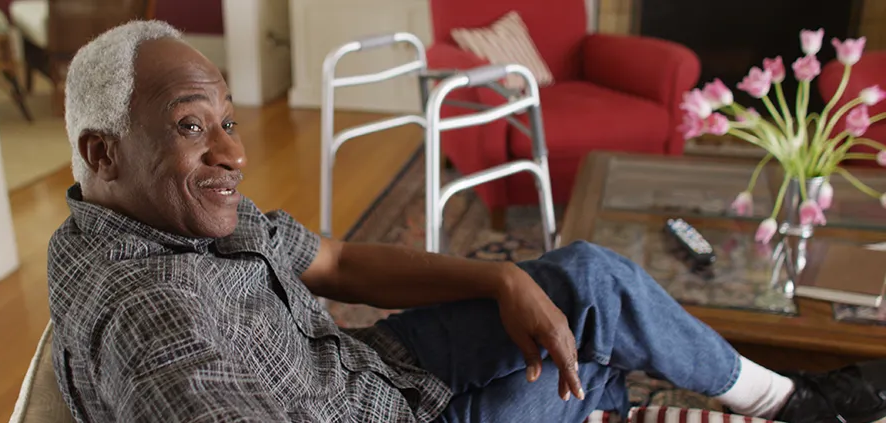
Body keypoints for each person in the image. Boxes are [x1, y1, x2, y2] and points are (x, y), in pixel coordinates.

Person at [45, 20, 886, 423]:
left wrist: (502, 274)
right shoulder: (156, 320)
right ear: (104, 152)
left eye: (227, 120)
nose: (231, 151)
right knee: (589, 357)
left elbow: (331, 261)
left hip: (368, 369)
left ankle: (791, 402)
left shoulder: (174, 210)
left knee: (583, 285)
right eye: (194, 124)